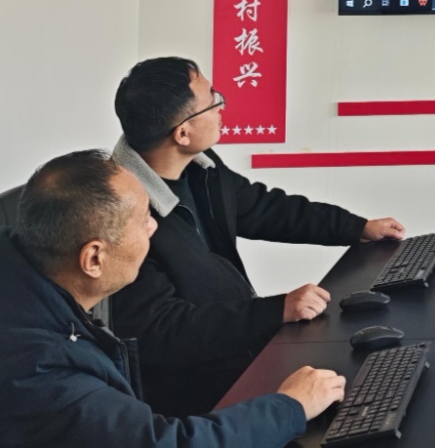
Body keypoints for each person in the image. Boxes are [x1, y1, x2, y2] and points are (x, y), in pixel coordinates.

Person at [0, 150, 344, 448]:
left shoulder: (0, 282)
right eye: (143, 219)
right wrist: (290, 406)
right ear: (94, 257)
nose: (154, 227)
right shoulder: (35, 371)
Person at [108, 56, 407, 417]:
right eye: (212, 100)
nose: (222, 106)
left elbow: (264, 208)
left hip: (239, 350)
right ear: (182, 133)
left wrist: (356, 227)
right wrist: (275, 310)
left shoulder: (201, 167)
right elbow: (163, 331)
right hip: (196, 397)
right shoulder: (121, 218)